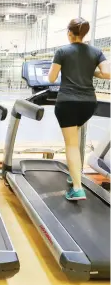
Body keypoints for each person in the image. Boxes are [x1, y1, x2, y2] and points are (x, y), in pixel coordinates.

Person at [48, 17, 110, 201]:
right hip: (88, 104)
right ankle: (74, 174)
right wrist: (91, 71)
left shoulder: (62, 51)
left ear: (69, 33)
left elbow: (52, 78)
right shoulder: (97, 52)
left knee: (71, 145)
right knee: (75, 141)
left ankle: (77, 188)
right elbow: (107, 73)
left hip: (67, 103)